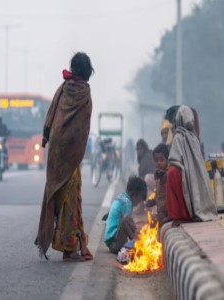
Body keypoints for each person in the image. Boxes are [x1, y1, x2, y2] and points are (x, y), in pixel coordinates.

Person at [35, 52, 94, 262]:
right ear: (87, 72)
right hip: (69, 152)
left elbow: (51, 114)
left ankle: (76, 244)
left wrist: (45, 135)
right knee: (70, 197)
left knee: (62, 194)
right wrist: (78, 151)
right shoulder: (84, 92)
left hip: (56, 150)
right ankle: (69, 249)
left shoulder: (63, 88)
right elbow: (82, 128)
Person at [166, 105, 217, 227]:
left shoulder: (179, 136)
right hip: (192, 178)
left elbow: (174, 160)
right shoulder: (194, 138)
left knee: (172, 173)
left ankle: (180, 215)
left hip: (183, 177)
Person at [104, 176, 147, 254]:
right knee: (127, 220)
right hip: (115, 244)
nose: (137, 204)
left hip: (112, 242)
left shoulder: (121, 197)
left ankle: (137, 241)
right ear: (134, 194)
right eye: (139, 200)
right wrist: (138, 235)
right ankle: (138, 243)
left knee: (129, 222)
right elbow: (128, 222)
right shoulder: (127, 203)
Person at [153, 143, 170, 224]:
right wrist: (152, 201)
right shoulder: (158, 175)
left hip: (167, 214)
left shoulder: (168, 174)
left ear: (167, 160)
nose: (159, 162)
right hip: (161, 212)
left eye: (161, 160)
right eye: (156, 160)